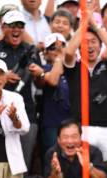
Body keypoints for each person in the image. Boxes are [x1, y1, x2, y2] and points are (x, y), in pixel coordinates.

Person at [0, 10, 41, 171]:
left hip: (26, 112)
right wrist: (1, 76)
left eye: (20, 26)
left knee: (23, 164)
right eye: (12, 25)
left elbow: (41, 84)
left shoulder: (31, 50)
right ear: (3, 27)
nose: (16, 29)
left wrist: (39, 73)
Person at [63, 12, 107, 160]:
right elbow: (69, 52)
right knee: (84, 173)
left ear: (100, 46)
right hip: (82, 128)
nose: (89, 45)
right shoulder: (73, 68)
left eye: (93, 41)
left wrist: (95, 26)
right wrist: (83, 26)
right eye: (85, 41)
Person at [37, 32, 71, 167]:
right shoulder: (43, 69)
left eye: (61, 46)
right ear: (45, 53)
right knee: (52, 162)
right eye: (53, 48)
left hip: (71, 123)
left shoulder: (73, 69)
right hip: (51, 125)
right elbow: (53, 80)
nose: (57, 51)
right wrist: (59, 58)